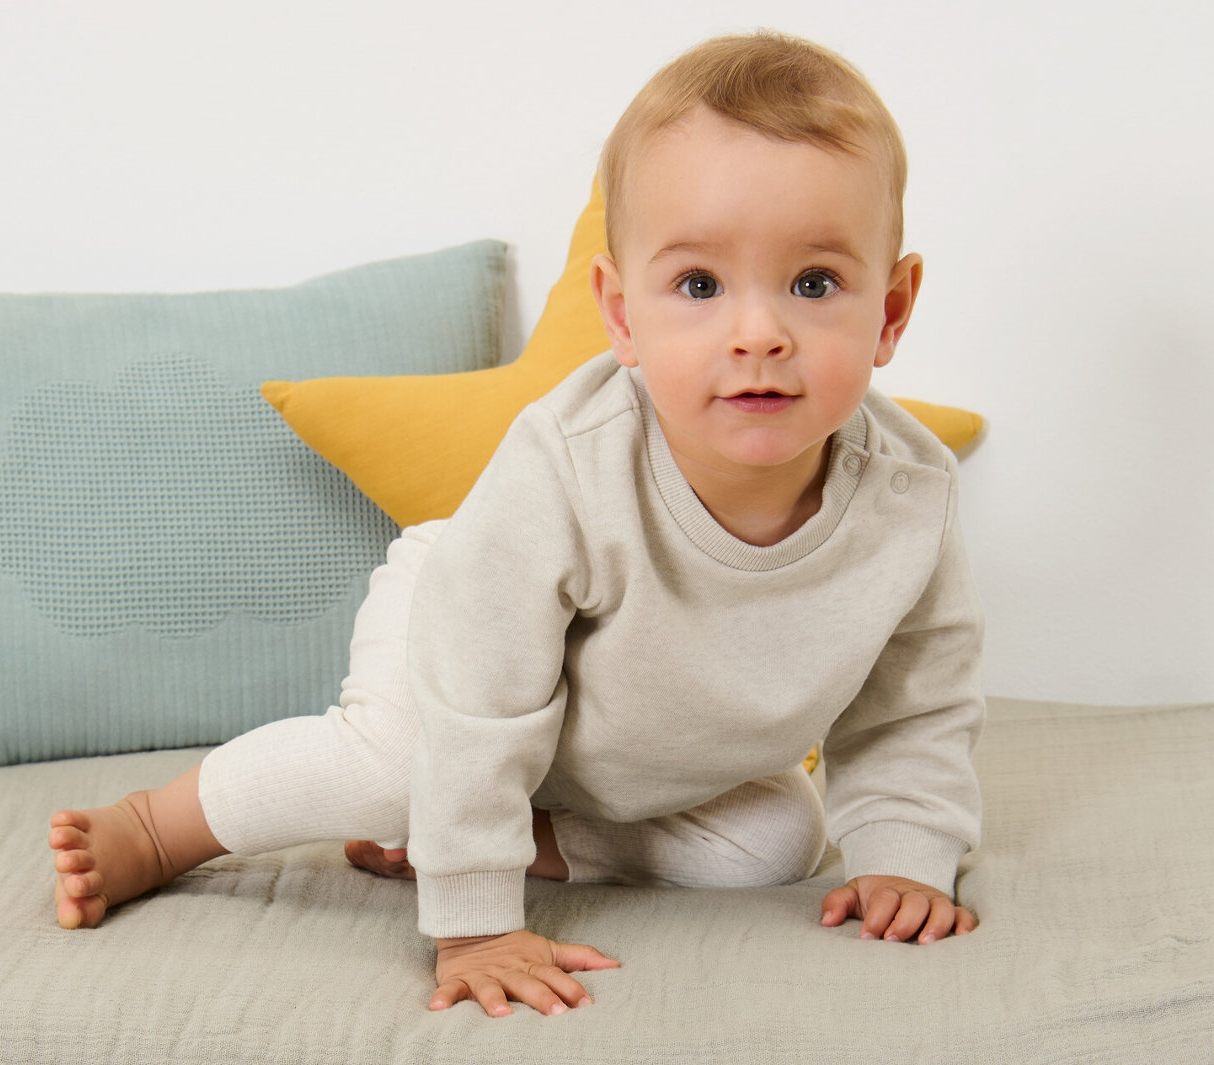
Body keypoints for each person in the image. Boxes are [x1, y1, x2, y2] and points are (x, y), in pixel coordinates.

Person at [49, 30, 985, 1019]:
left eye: (812, 284)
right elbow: (481, 700)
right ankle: (160, 829)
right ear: (621, 316)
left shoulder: (906, 500)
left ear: (888, 310)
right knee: (396, 762)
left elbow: (912, 701)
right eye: (699, 286)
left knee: (774, 844)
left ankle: (462, 834)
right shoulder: (570, 463)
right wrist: (476, 919)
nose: (758, 333)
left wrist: (905, 859)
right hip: (466, 627)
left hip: (611, 750)